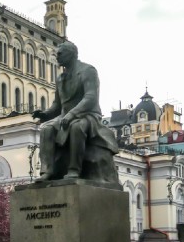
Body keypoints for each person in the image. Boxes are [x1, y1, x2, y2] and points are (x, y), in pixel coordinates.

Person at [32, 41, 119, 184]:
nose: (57, 56)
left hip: (87, 114)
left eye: (60, 53)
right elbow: (57, 105)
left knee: (76, 127)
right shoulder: (61, 78)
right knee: (46, 129)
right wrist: (44, 114)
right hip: (65, 116)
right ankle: (48, 171)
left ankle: (74, 169)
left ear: (71, 54)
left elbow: (90, 98)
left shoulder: (88, 71)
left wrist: (72, 114)